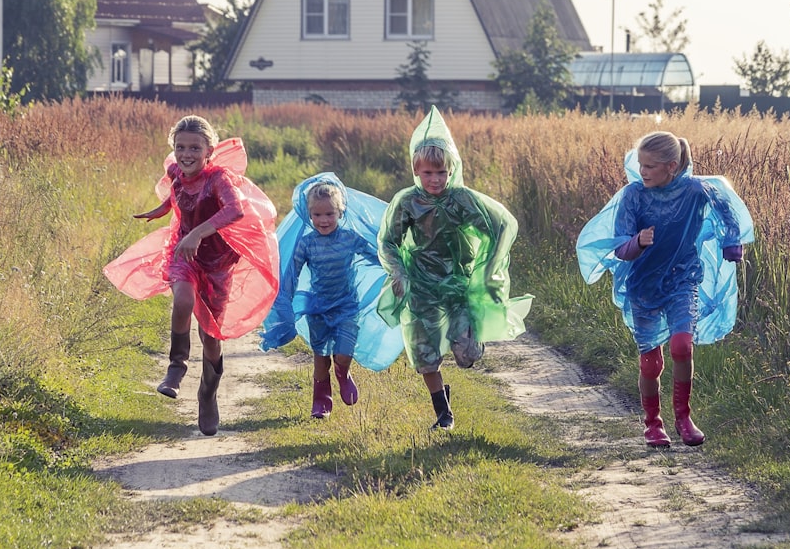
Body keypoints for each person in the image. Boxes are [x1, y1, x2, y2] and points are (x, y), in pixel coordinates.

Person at [103, 115, 279, 436]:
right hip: (183, 255)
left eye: (195, 148)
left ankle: (208, 394)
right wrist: (163, 209)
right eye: (180, 147)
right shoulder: (175, 171)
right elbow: (178, 193)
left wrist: (198, 232)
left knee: (211, 337)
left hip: (217, 262)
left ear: (209, 150)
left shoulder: (219, 179)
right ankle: (176, 367)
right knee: (182, 298)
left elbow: (234, 210)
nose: (187, 154)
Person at [576, 131, 754, 447]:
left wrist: (732, 242)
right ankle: (653, 425)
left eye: (650, 166)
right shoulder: (634, 196)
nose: (642, 171)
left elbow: (725, 204)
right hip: (642, 286)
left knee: (682, 346)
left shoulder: (696, 191)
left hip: (682, 281)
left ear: (671, 166)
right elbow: (620, 249)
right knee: (651, 362)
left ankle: (684, 417)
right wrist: (637, 243)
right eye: (641, 164)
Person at [378, 106, 533, 431]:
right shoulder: (407, 202)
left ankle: (472, 343)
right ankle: (443, 413)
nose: (434, 180)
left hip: (457, 287)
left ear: (451, 170)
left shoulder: (462, 200)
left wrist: (489, 266)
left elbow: (501, 225)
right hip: (421, 289)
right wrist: (399, 273)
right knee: (425, 355)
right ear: (416, 171)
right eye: (427, 173)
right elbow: (388, 242)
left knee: (465, 355)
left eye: (441, 173)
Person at [260, 172, 404, 418]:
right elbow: (291, 274)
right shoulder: (307, 243)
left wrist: (396, 269)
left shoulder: (349, 238)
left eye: (329, 214)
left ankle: (343, 372)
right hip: (318, 308)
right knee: (321, 358)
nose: (323, 220)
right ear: (309, 215)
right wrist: (285, 301)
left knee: (343, 352)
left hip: (347, 306)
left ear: (340, 212)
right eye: (317, 215)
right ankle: (321, 401)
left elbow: (375, 254)